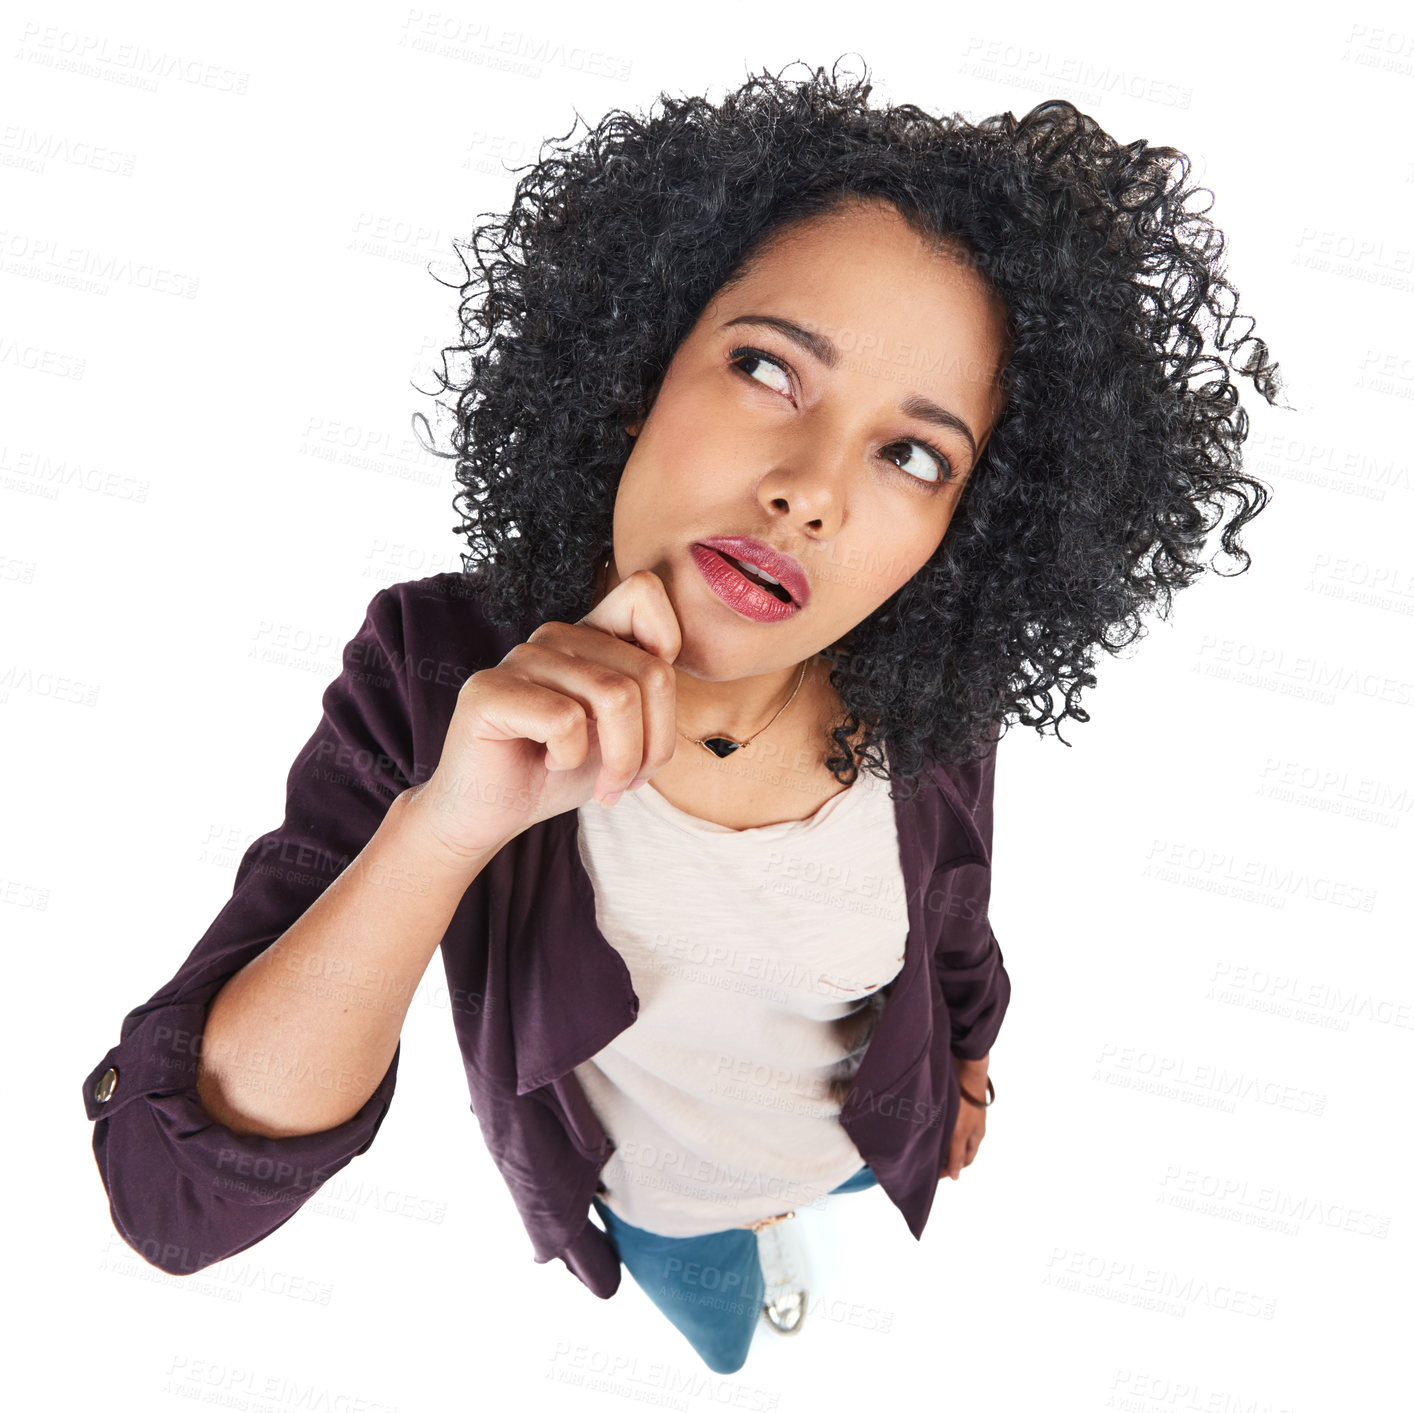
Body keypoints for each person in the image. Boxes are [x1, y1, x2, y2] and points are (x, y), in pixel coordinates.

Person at [81, 58, 1284, 1376]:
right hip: (662, 1218)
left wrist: (971, 1053)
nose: (811, 489)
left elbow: (953, 908)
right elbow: (174, 1202)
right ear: (637, 360)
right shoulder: (436, 672)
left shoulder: (930, 697)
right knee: (720, 1351)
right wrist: (443, 831)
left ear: (961, 533)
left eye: (915, 453)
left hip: (874, 1142)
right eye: (769, 366)